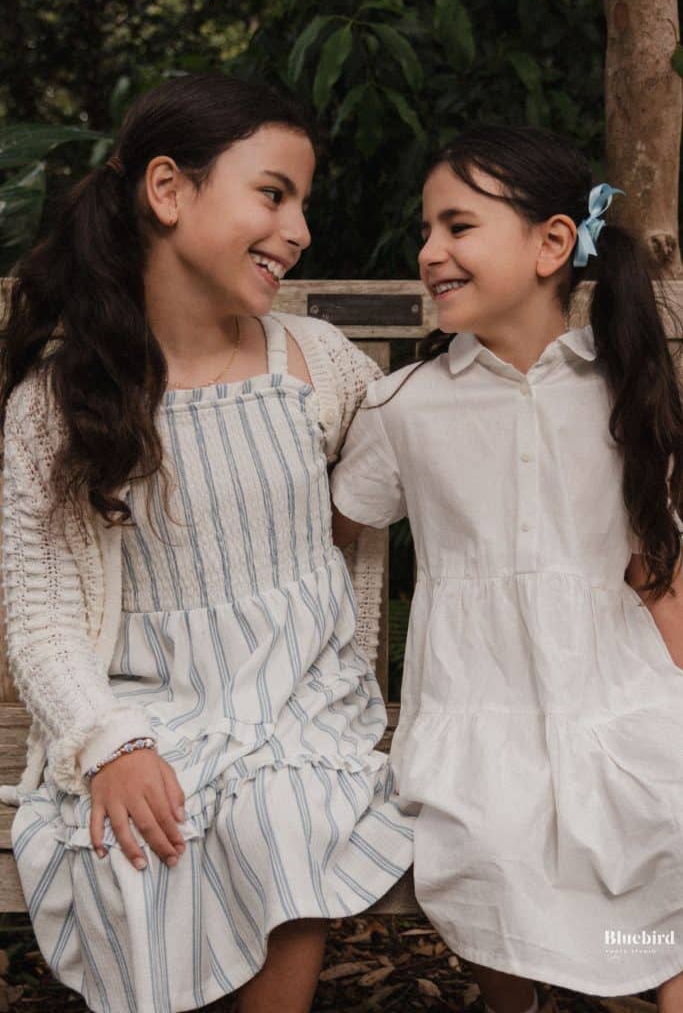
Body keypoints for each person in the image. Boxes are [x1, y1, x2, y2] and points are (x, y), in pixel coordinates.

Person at [0, 73, 414, 1013]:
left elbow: (420, 455)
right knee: (138, 837)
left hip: (299, 700)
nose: (299, 229)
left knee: (282, 815)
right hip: (146, 702)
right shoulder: (59, 404)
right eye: (273, 194)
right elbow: (42, 615)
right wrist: (109, 744)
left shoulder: (315, 363)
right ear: (167, 189)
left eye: (301, 203)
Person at [330, 125, 683, 1013]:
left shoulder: (622, 388)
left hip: (616, 692)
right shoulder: (403, 406)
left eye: (456, 226)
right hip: (474, 707)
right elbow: (326, 535)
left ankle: (648, 975)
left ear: (552, 243)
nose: (428, 251)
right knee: (488, 844)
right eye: (426, 230)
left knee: (666, 815)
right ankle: (516, 1003)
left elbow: (657, 574)